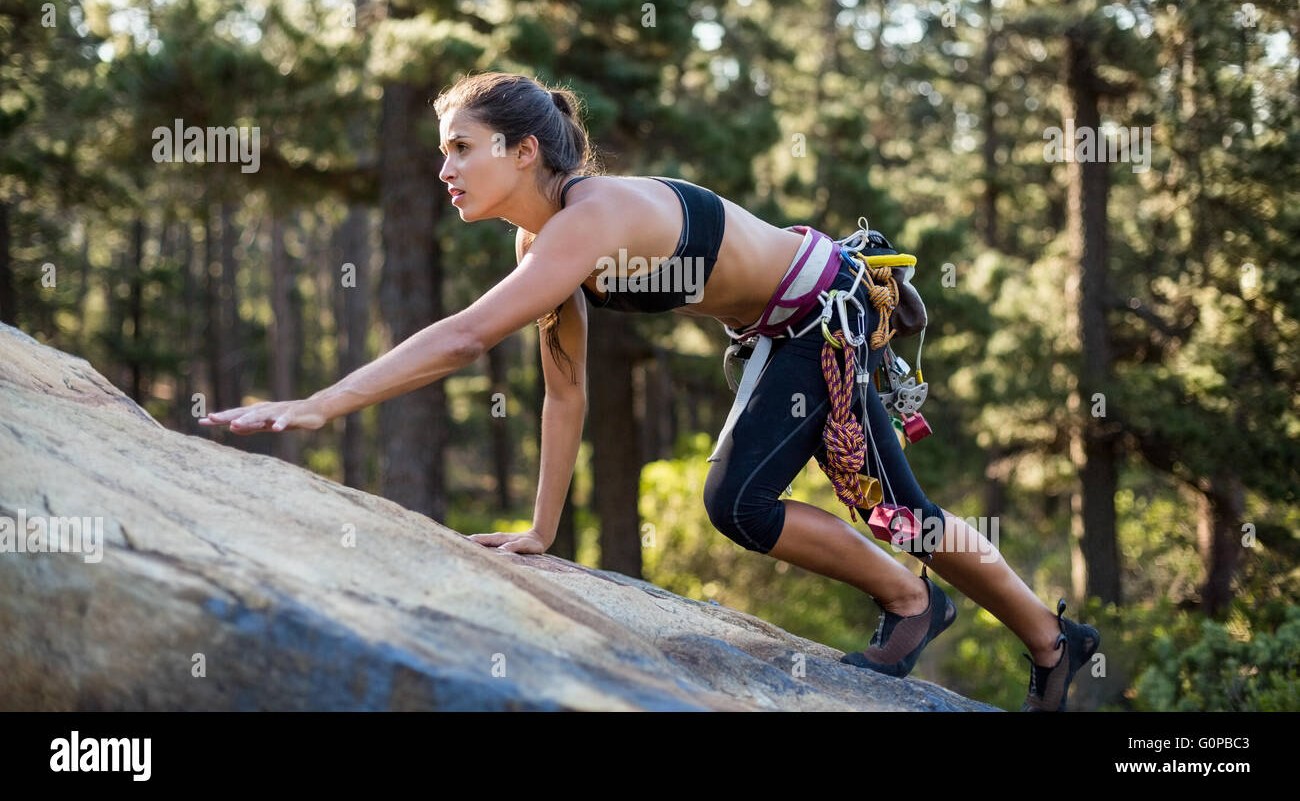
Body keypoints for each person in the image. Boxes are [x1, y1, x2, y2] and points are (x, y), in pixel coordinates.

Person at [198, 71, 1100, 710]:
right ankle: (924, 604)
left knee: (880, 509)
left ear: (520, 151)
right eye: (443, 154)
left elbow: (466, 336)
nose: (445, 171)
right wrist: (542, 532)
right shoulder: (546, 244)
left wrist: (323, 403)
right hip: (785, 330)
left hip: (827, 311)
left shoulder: (597, 216)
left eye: (460, 150)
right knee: (752, 503)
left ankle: (1035, 636)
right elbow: (563, 390)